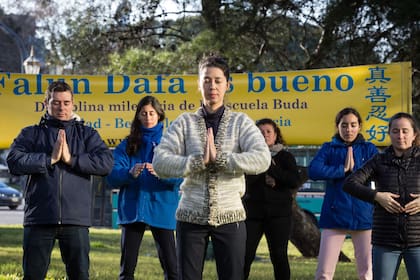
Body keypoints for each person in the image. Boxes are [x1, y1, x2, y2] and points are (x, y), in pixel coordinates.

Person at [151, 54, 271, 280]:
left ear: (227, 84)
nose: (212, 86)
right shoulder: (184, 122)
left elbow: (262, 158)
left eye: (217, 80)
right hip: (190, 216)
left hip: (230, 216)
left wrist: (222, 160)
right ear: (199, 84)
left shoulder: (240, 122)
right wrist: (197, 162)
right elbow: (160, 162)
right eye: (206, 80)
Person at [6, 80, 113, 280]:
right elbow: (14, 160)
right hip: (39, 218)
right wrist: (50, 159)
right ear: (46, 103)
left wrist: (71, 159)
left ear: (73, 104)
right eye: (55, 102)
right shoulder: (31, 133)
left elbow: (105, 163)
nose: (61, 107)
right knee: (33, 275)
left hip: (76, 220)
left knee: (80, 275)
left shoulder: (87, 134)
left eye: (66, 102)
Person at [106, 96, 182, 280]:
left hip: (162, 209)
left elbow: (180, 176)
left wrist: (161, 173)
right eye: (144, 113)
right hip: (133, 209)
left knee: (172, 267)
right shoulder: (127, 144)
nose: (148, 117)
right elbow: (111, 176)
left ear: (159, 115)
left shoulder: (170, 143)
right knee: (127, 269)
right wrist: (129, 173)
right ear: (138, 116)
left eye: (151, 113)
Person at [343, 112, 420, 280]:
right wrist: (377, 196)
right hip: (385, 240)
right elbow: (350, 183)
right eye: (395, 131)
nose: (400, 135)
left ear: (414, 134)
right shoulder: (379, 160)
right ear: (389, 134)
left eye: (405, 131)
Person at [308, 107, 378, 280]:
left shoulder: (369, 149)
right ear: (337, 126)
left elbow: (381, 172)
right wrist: (342, 169)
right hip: (334, 216)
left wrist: (357, 173)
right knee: (324, 272)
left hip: (363, 216)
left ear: (360, 126)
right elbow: (314, 170)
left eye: (353, 125)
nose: (349, 129)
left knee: (367, 272)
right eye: (344, 125)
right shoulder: (328, 148)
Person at [243, 118, 301, 280]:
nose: (265, 135)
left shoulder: (286, 156)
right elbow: (245, 182)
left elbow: (293, 181)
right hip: (253, 214)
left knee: (279, 256)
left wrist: (273, 171)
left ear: (276, 135)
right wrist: (263, 172)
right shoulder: (248, 155)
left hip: (279, 215)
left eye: (269, 132)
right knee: (245, 255)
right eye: (260, 132)